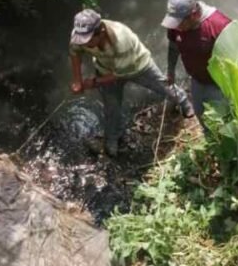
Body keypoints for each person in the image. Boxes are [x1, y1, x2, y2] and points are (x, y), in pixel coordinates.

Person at [69, 9, 194, 156]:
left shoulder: (121, 39)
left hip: (138, 66)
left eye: (88, 40)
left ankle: (183, 101)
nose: (84, 43)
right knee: (112, 108)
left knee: (163, 86)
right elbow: (75, 52)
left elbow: (119, 74)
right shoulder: (80, 34)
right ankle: (113, 139)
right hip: (106, 67)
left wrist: (94, 82)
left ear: (101, 32)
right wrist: (77, 80)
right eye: (82, 40)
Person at [162, 0, 231, 133]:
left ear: (193, 15)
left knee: (224, 121)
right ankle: (208, 137)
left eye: (179, 23)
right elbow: (173, 46)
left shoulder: (218, 25)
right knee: (201, 115)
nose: (176, 27)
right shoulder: (176, 27)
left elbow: (236, 55)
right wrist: (170, 71)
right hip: (197, 80)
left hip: (219, 83)